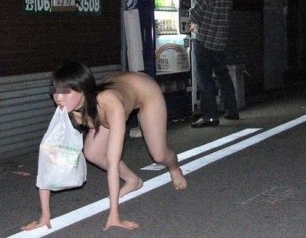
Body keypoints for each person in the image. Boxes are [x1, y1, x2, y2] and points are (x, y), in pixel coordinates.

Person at [21, 62, 187, 232]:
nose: (58, 98)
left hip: (144, 91)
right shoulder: (67, 109)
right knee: (92, 153)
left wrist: (114, 215)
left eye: (66, 91)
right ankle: (133, 181)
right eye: (55, 91)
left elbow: (113, 162)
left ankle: (174, 168)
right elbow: (49, 162)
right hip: (105, 101)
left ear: (83, 90)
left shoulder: (110, 104)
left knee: (159, 155)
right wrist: (44, 216)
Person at [190, 0, 239, 128]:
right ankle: (232, 110)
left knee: (204, 79)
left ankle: (210, 116)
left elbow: (193, 16)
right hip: (220, 42)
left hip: (203, 41)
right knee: (223, 76)